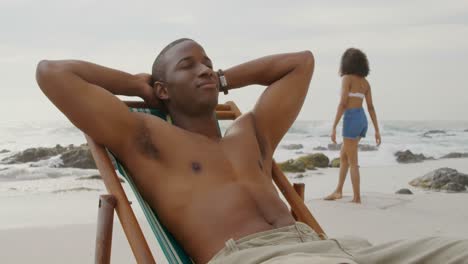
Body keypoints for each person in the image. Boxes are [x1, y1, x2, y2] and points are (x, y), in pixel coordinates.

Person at [37, 39, 467, 264]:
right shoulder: (146, 139)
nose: (204, 68)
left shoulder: (251, 133)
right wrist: (136, 86)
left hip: (332, 249)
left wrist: (222, 77)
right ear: (163, 89)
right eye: (189, 66)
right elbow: (53, 73)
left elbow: (301, 62)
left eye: (208, 61)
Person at [324, 48, 381, 204]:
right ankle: (339, 191)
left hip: (351, 118)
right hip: (362, 119)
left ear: (346, 63)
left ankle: (356, 197)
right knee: (344, 156)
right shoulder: (365, 83)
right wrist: (376, 130)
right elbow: (371, 107)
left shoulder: (347, 79)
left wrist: (334, 126)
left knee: (353, 162)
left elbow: (343, 104)